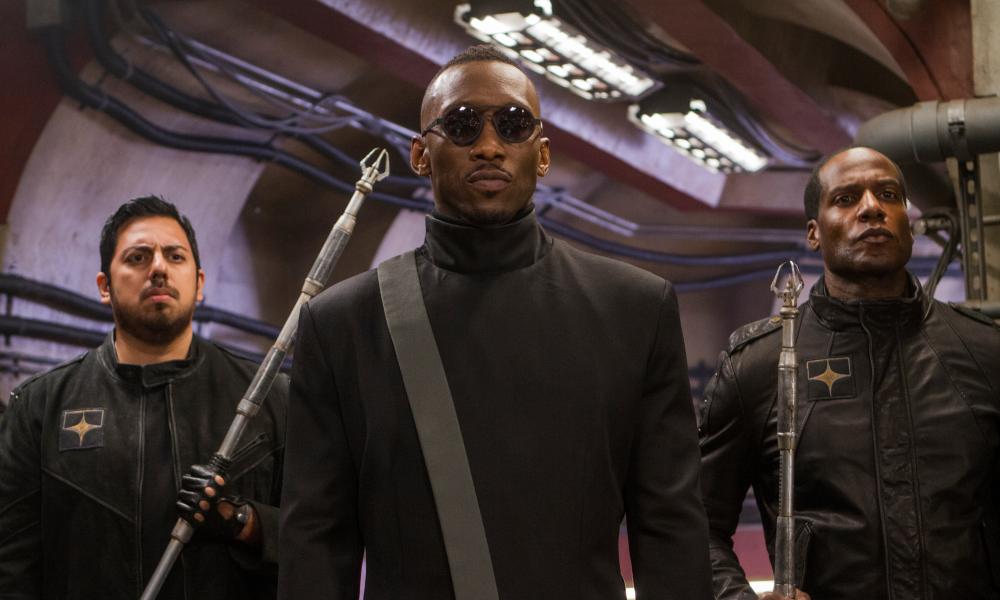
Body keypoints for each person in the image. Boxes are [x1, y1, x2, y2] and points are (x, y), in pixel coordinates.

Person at [278, 45, 711, 599]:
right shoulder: (343, 324)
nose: (488, 145)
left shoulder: (634, 309)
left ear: (543, 154)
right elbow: (316, 540)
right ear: (420, 155)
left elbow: (671, 528)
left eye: (512, 125)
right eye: (462, 125)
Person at [698, 146, 1000, 600]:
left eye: (889, 195)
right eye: (846, 198)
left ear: (909, 224)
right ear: (814, 233)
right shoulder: (760, 366)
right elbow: (694, 524)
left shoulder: (983, 351)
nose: (872, 208)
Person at [0, 196, 287, 599]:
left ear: (199, 283)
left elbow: (321, 538)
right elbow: (11, 567)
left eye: (175, 256)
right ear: (105, 286)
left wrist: (242, 520)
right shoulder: (40, 406)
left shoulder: (272, 398)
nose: (158, 268)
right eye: (138, 258)